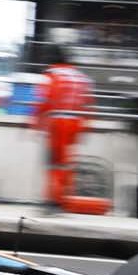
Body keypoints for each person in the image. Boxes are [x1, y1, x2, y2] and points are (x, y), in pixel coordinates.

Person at [33, 44, 94, 209]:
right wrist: (85, 127)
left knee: (54, 162)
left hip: (58, 121)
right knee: (66, 162)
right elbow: (88, 104)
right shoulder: (81, 77)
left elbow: (42, 102)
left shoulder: (51, 75)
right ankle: (63, 198)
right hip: (76, 122)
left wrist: (36, 124)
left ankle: (53, 200)